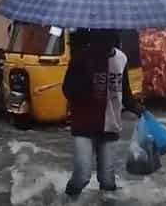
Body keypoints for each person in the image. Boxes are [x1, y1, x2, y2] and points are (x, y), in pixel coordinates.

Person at [61, 29, 143, 197]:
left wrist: (140, 110)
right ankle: (68, 200)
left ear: (115, 40)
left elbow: (125, 93)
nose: (104, 47)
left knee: (107, 180)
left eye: (108, 42)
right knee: (82, 176)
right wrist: (84, 75)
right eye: (100, 42)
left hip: (110, 126)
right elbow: (68, 90)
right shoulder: (82, 58)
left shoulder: (121, 59)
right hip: (84, 125)